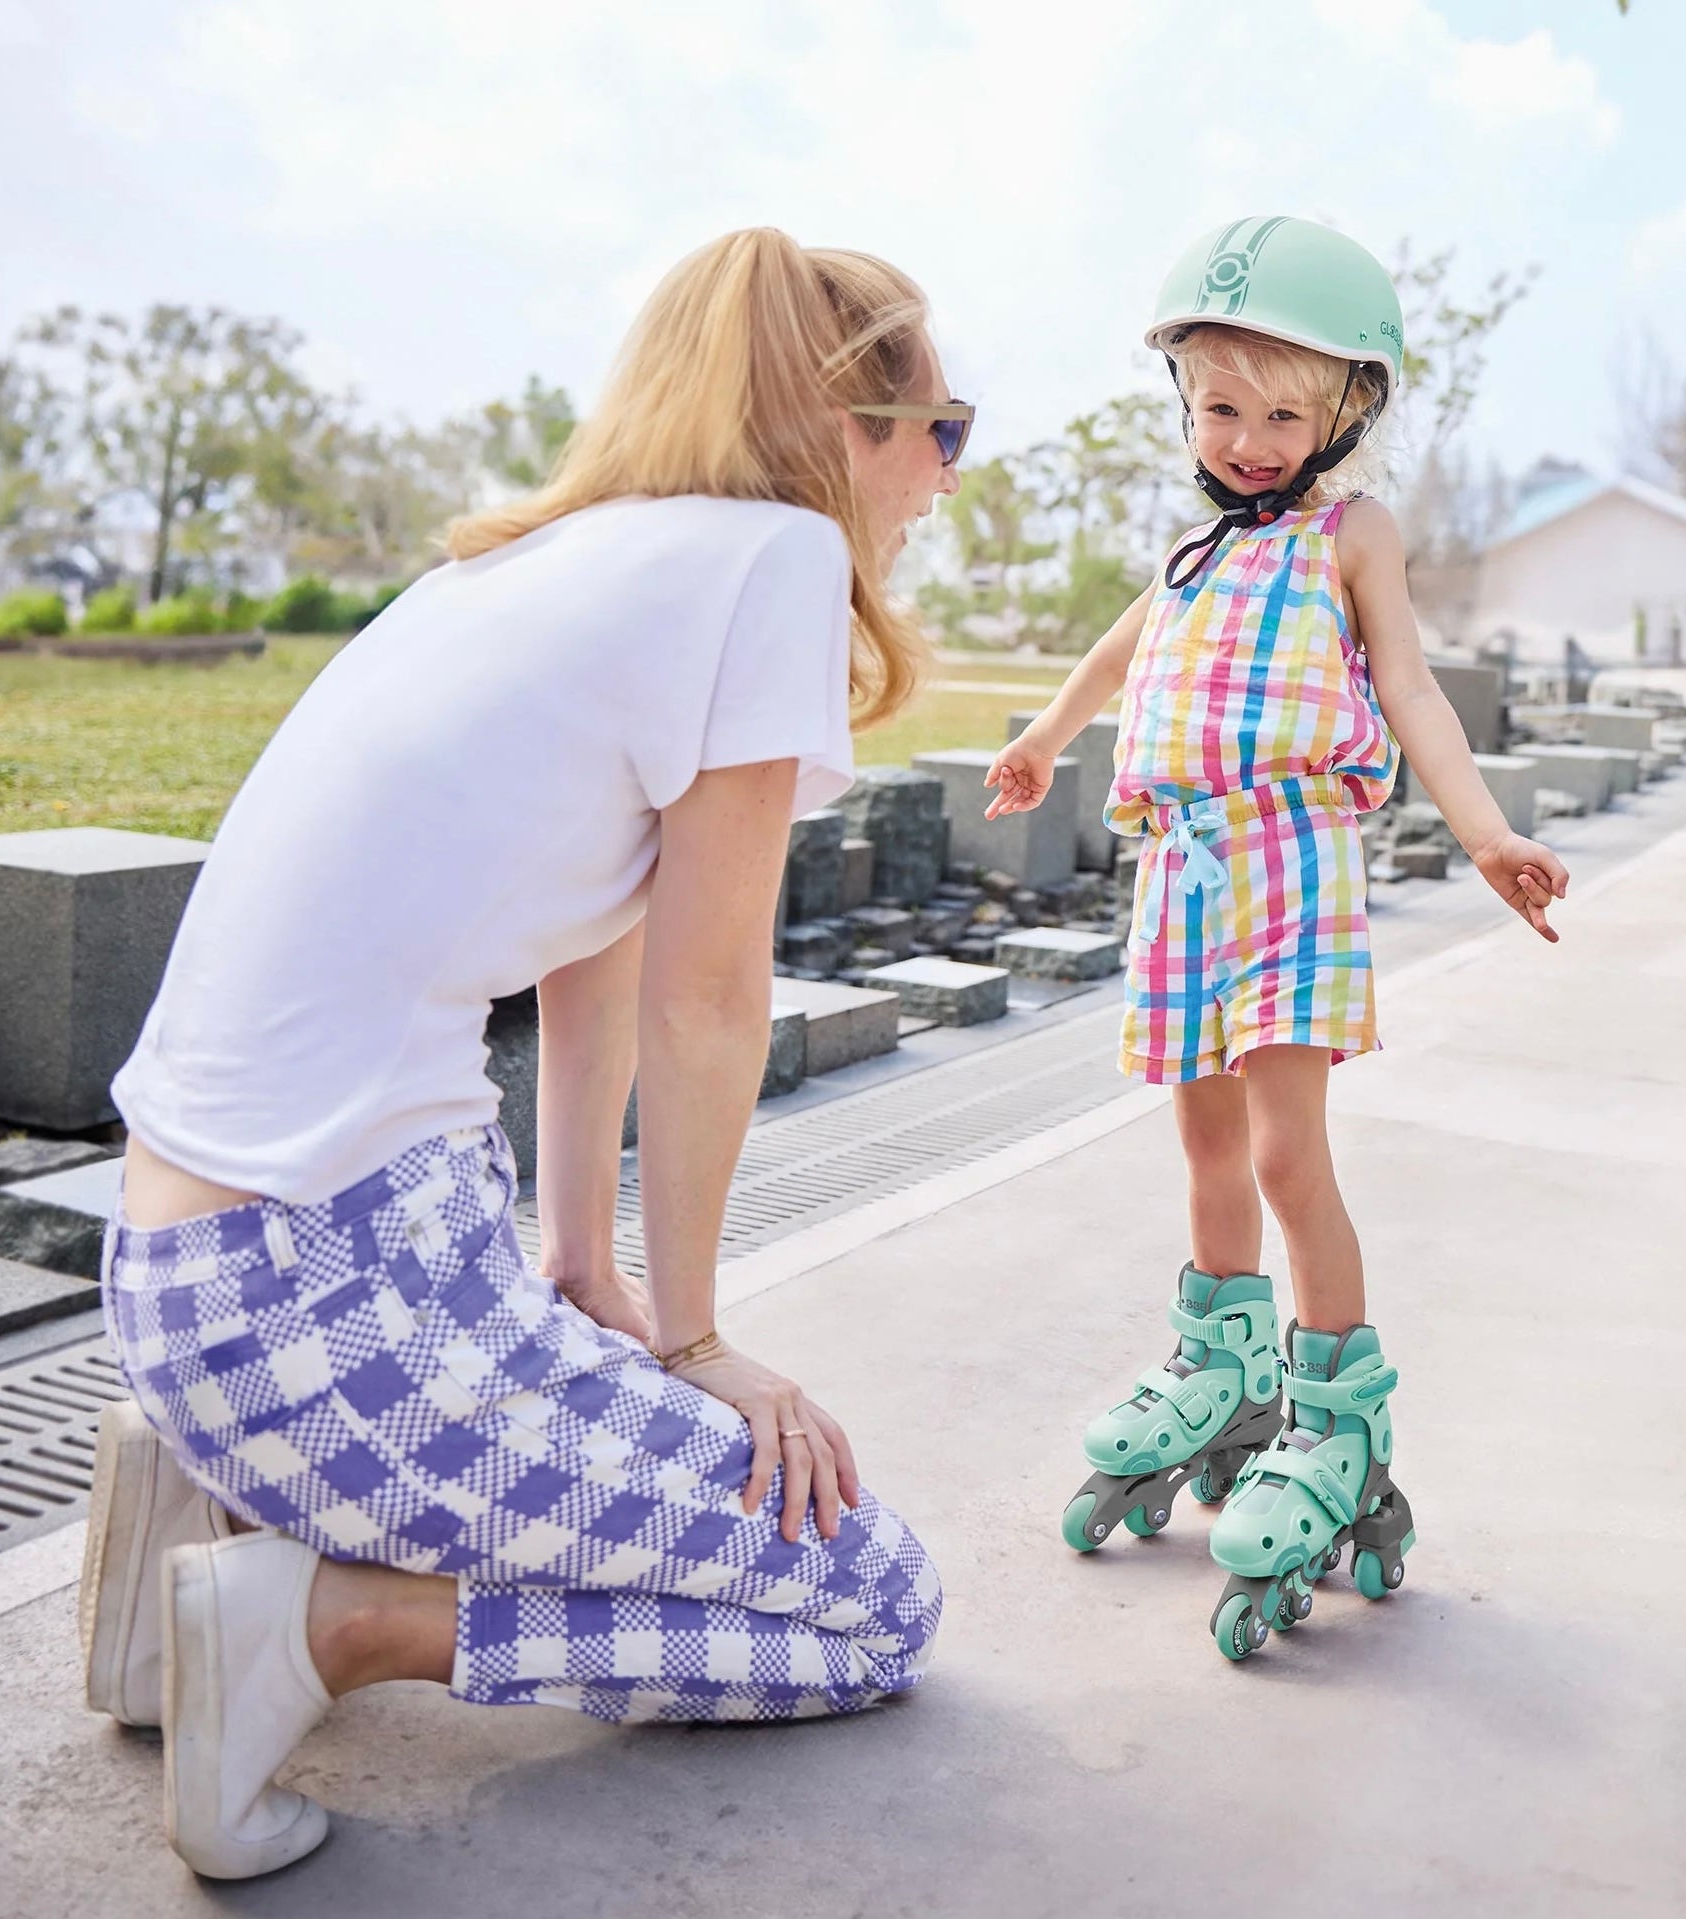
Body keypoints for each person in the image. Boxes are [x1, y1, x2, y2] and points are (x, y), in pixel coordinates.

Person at [81, 228, 971, 1878]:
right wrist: (698, 1342)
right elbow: (710, 1001)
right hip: (328, 1305)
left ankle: (196, 1512)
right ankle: (322, 1622)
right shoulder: (774, 559)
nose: (944, 479)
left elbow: (591, 958)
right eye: (942, 429)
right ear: (838, 428)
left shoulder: (531, 568)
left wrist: (580, 1261)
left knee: (677, 1470)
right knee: (870, 1601)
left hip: (179, 1286)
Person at [984, 215, 1569, 1659]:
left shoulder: (1349, 536)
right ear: (1185, 405)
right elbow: (1123, 648)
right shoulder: (1190, 549)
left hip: (1291, 860)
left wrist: (1486, 834)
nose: (1249, 441)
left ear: (1345, 416)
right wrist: (1045, 736)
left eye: (1283, 416)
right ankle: (1224, 1368)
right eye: (1222, 409)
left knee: (1286, 1154)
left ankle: (1333, 1415)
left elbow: (1411, 691)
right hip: (1178, 869)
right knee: (1202, 1146)